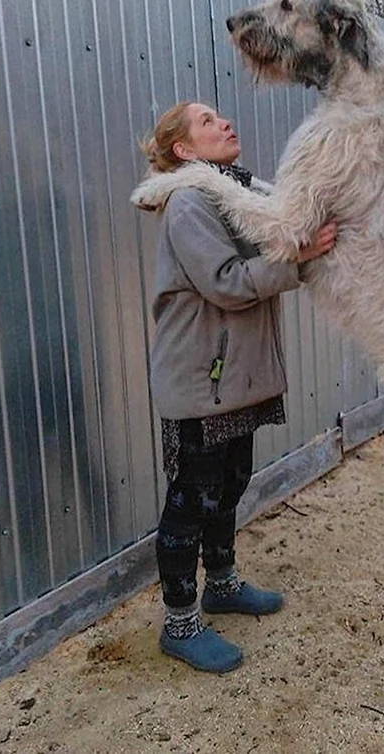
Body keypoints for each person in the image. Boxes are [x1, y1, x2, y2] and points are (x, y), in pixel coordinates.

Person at [135, 100, 337, 674]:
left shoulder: (240, 195)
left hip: (234, 379)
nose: (225, 123)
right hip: (200, 379)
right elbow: (225, 283)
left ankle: (221, 583)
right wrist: (298, 257)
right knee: (192, 497)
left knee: (230, 483)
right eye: (207, 122)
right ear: (184, 150)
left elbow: (283, 227)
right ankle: (179, 622)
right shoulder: (190, 202)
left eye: (223, 116)